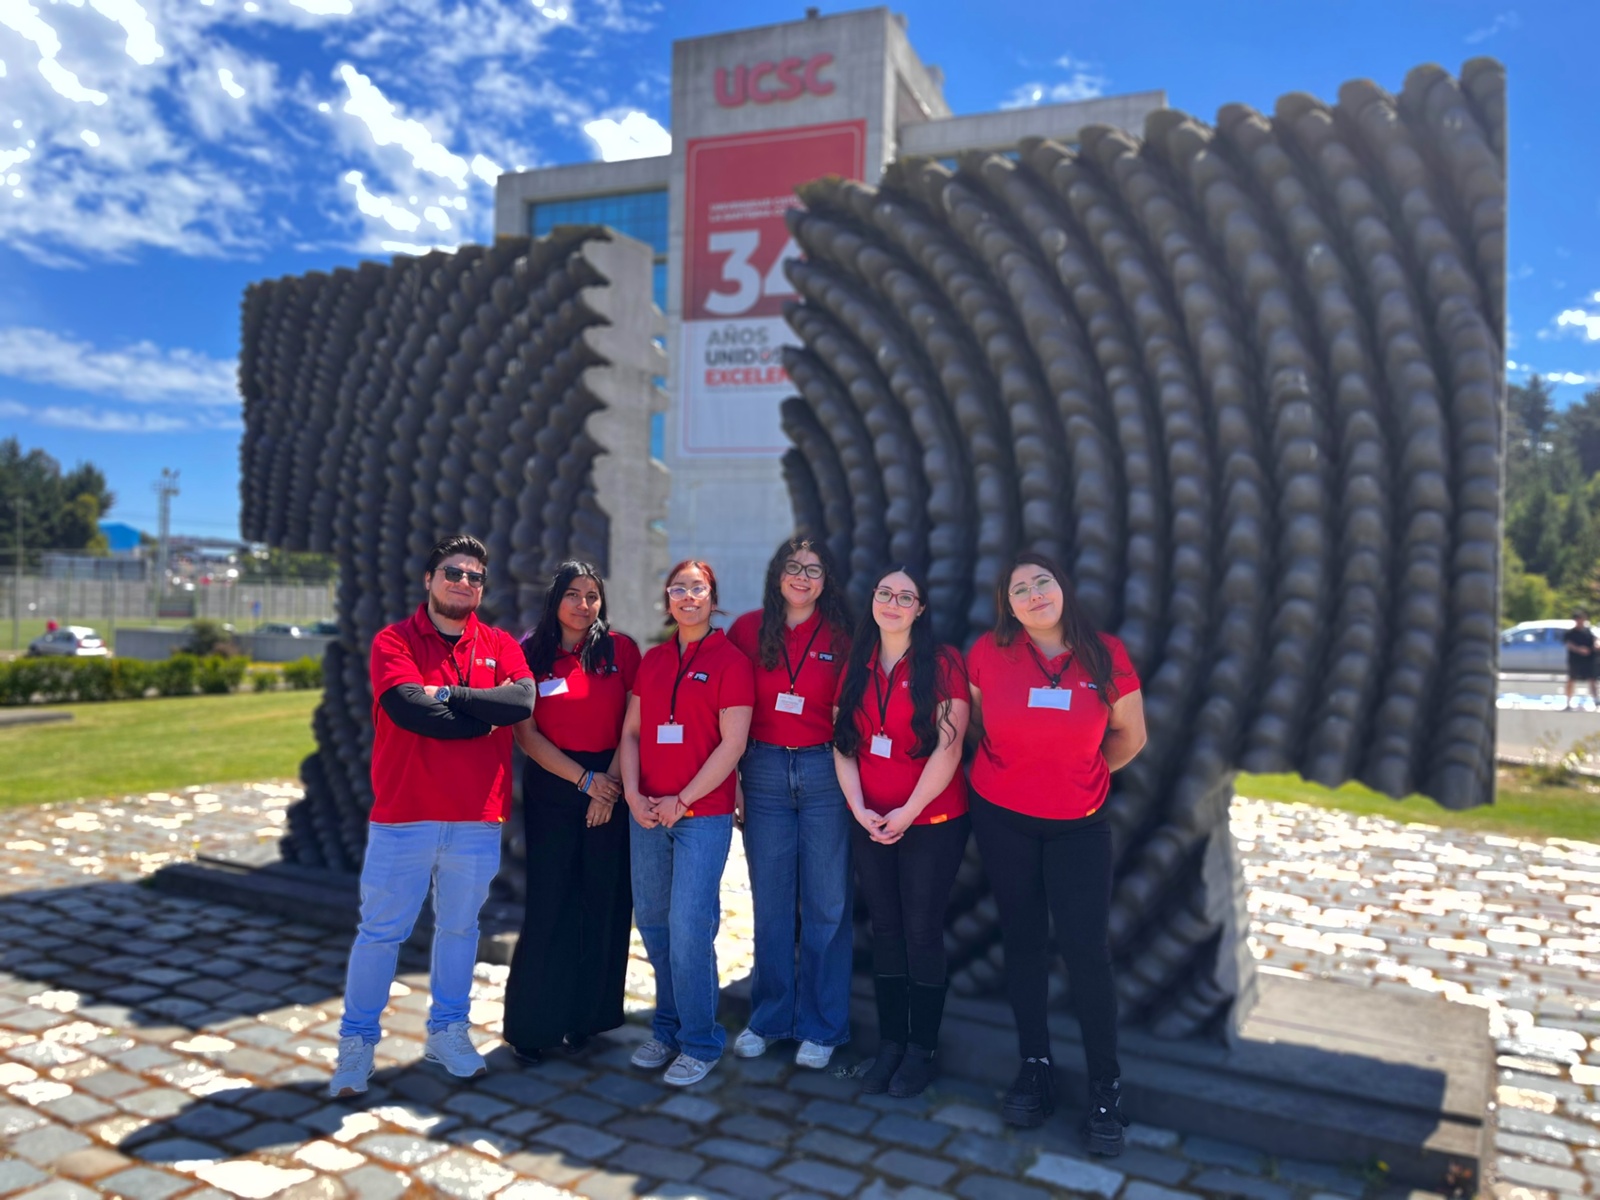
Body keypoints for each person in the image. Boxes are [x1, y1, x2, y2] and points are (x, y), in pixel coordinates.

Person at [329, 534, 535, 1098]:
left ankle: (448, 1032)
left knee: (460, 930)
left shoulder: (499, 643)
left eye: (474, 576)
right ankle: (357, 1045)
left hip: (476, 818)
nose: (464, 583)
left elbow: (520, 703)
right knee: (380, 934)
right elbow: (412, 712)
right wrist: (477, 708)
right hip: (405, 817)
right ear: (429, 579)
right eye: (453, 572)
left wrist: (448, 693)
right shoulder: (394, 640)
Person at [965, 552, 1146, 1156]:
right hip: (1003, 820)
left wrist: (1082, 774)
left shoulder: (1106, 654)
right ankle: (1034, 1066)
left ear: (1062, 589)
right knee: (1021, 940)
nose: (1034, 594)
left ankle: (1105, 1089)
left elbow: (1131, 735)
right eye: (1020, 589)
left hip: (1078, 827)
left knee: (1086, 953)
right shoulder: (989, 653)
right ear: (1008, 605)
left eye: (1043, 582)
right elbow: (974, 723)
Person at [833, 567, 969, 1098]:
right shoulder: (856, 665)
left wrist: (907, 812)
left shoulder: (943, 664)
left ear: (920, 609)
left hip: (930, 823)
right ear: (873, 601)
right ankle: (890, 1044)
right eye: (885, 593)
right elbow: (842, 744)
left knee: (921, 931)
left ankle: (921, 1048)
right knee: (884, 929)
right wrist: (860, 808)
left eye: (904, 597)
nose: (893, 603)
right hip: (871, 819)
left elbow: (949, 748)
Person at [619, 560, 754, 1086]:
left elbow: (733, 743)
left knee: (690, 928)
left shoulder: (731, 662)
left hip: (702, 816)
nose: (687, 596)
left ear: (712, 596)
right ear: (668, 599)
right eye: (678, 588)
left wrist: (683, 798)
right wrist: (632, 793)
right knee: (653, 922)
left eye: (698, 588)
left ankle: (701, 1040)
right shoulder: (652, 660)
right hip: (647, 812)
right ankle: (668, 1026)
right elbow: (631, 734)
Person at [503, 562, 641, 1065]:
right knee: (552, 903)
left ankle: (589, 1018)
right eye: (573, 595)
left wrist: (607, 788)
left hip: (612, 778)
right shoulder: (529, 652)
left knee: (603, 902)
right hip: (554, 786)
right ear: (555, 599)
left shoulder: (620, 649)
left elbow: (633, 720)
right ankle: (533, 1025)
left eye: (593, 595)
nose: (584, 605)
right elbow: (527, 734)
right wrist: (584, 783)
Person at [729, 537, 854, 1069]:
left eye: (815, 570)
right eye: (794, 567)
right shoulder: (745, 630)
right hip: (762, 771)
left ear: (827, 581)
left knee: (826, 905)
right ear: (777, 573)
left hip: (825, 770)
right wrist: (732, 777)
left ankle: (824, 1027)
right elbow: (726, 710)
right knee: (772, 903)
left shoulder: (844, 635)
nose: (803, 578)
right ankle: (771, 1016)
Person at [1566, 611, 1597, 710]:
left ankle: (1595, 699)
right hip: (1575, 659)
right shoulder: (1571, 633)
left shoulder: (1588, 631)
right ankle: (1568, 699)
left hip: (1588, 659)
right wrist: (1579, 649)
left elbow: (1595, 640)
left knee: (1592, 679)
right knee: (1572, 679)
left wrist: (1596, 644)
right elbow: (1569, 644)